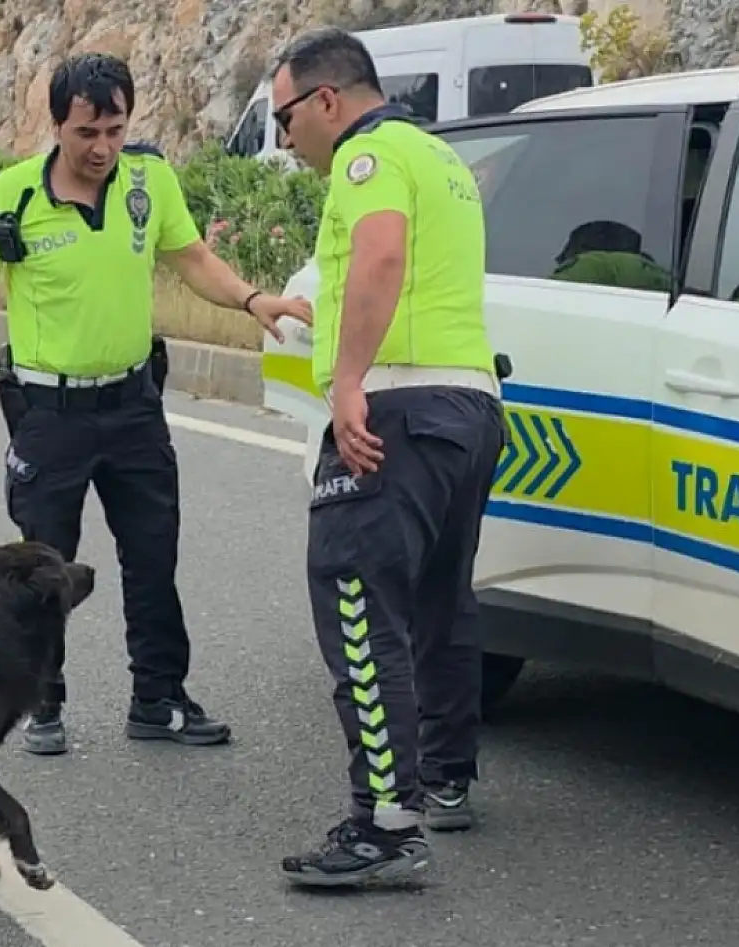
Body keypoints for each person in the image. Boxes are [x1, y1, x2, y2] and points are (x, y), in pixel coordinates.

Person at [0, 51, 312, 756]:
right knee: (44, 566)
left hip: (135, 406)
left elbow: (192, 257)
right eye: (87, 132)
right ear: (57, 125)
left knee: (152, 554)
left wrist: (252, 298)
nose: (102, 147)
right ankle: (41, 701)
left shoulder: (149, 179)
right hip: (49, 413)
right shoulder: (13, 194)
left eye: (115, 130)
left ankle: (159, 698)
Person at [264, 28, 507, 886]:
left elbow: (381, 256)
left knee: (357, 603)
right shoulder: (441, 158)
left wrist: (347, 383)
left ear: (327, 99)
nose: (284, 139)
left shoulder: (366, 160)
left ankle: (386, 823)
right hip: (468, 406)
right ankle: (444, 777)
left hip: (396, 405)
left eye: (285, 117)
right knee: (442, 598)